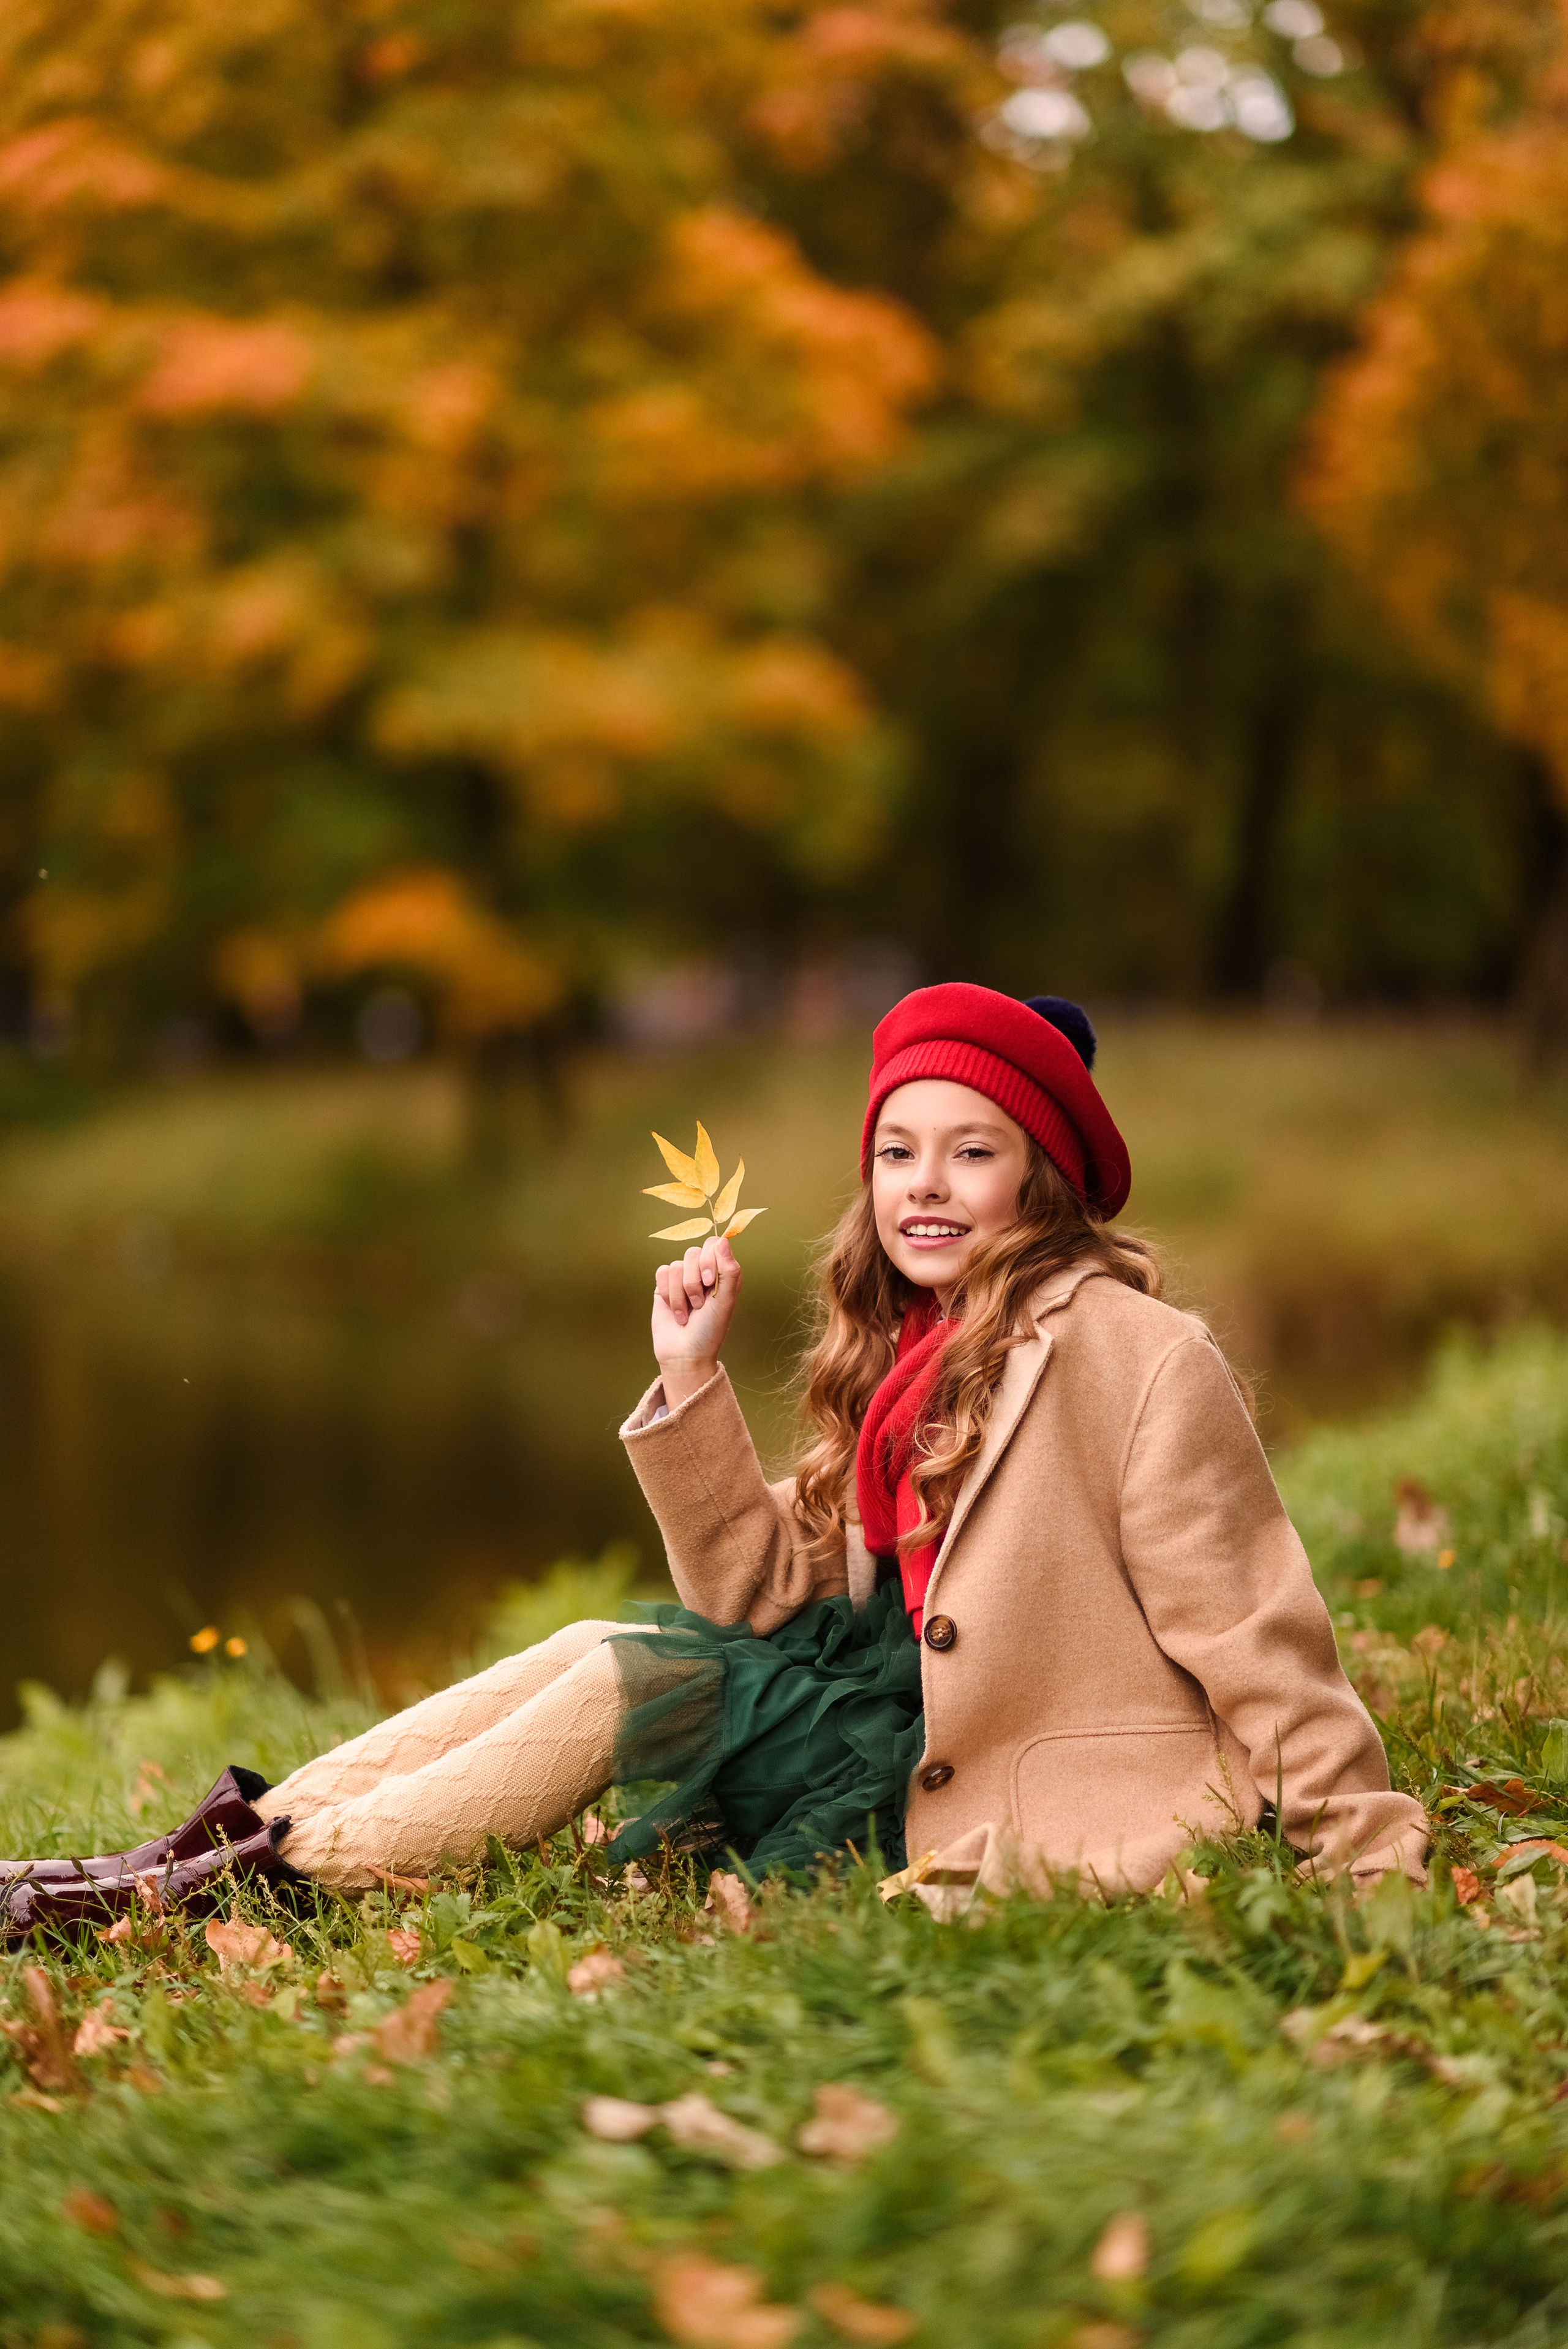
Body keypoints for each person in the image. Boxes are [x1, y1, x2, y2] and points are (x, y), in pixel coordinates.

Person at [1, 984, 1427, 1939]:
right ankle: (194, 1860)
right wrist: (688, 1380)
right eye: (896, 1150)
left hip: (981, 1767)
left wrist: (1364, 1857)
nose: (923, 1185)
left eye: (971, 1153)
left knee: (636, 1677)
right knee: (591, 1637)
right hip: (874, 1710)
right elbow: (762, 1593)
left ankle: (222, 1899)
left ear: (1038, 1180)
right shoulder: (906, 1351)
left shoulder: (1132, 1354)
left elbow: (1253, 1630)